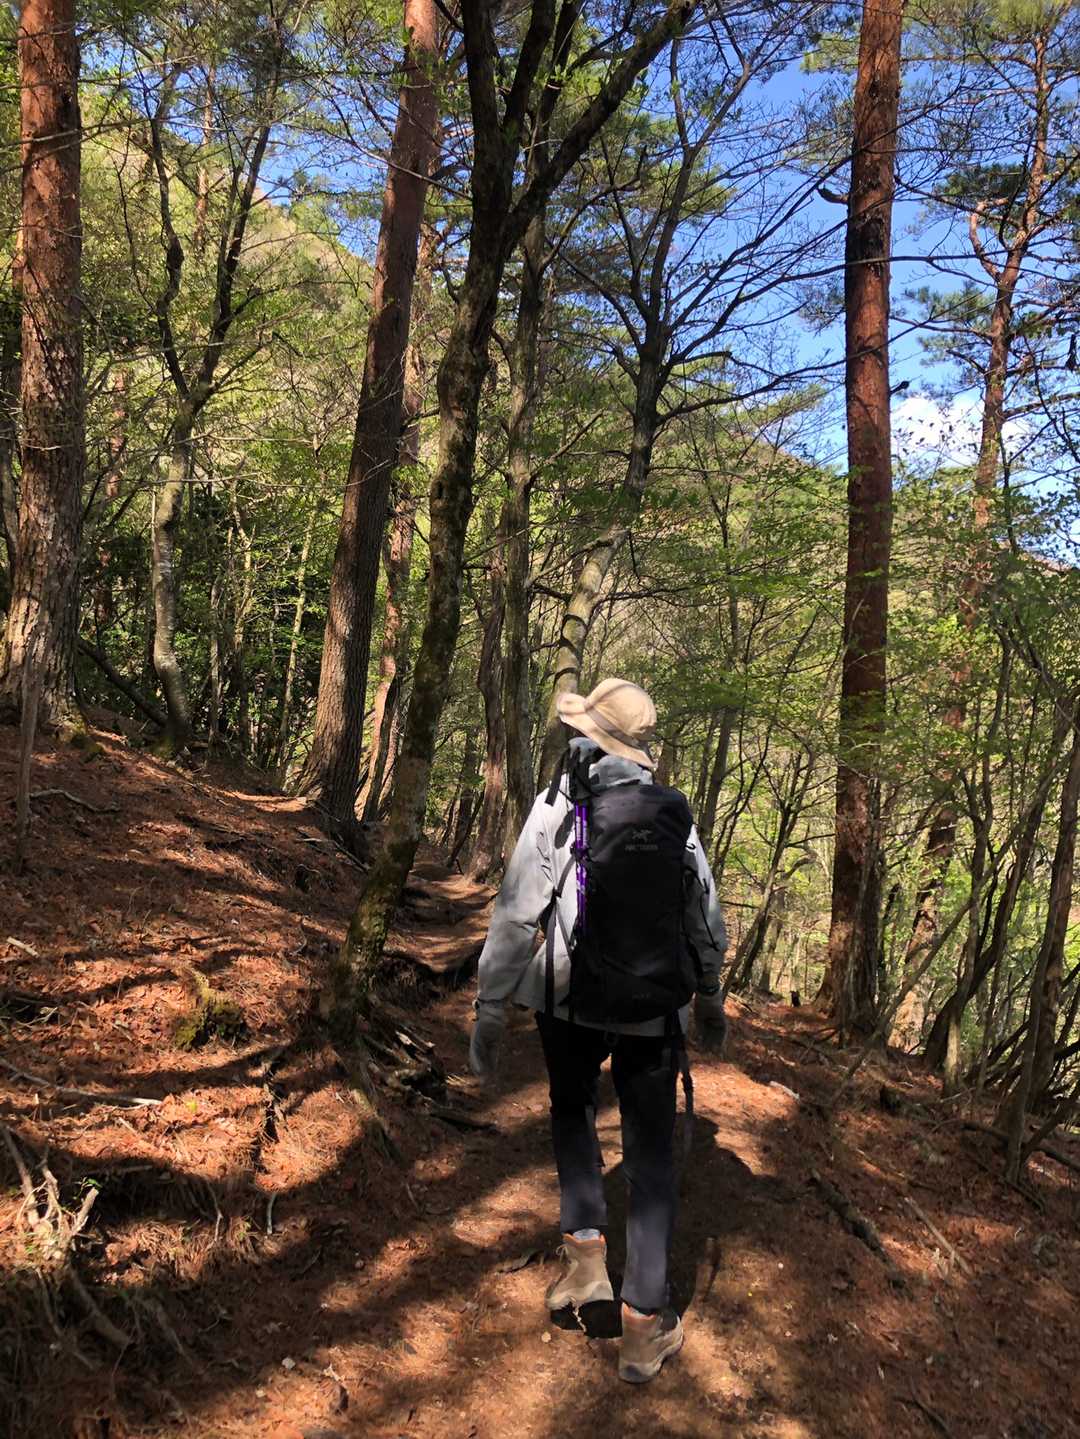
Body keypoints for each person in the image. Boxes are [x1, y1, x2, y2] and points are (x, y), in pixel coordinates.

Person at [469, 677, 728, 1384]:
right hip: (654, 1010)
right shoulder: (672, 814)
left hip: (569, 997)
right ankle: (642, 1332)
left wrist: (491, 1006)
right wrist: (709, 997)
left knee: (572, 1111)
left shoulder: (558, 804)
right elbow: (704, 915)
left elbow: (517, 913)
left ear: (590, 736)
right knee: (650, 1159)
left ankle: (586, 1266)